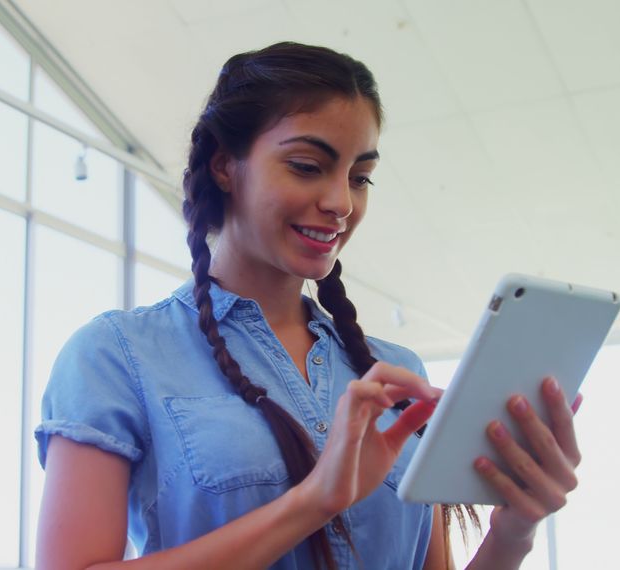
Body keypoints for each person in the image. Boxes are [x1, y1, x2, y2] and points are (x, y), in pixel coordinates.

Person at [34, 42, 582, 570]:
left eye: (360, 177)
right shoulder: (118, 355)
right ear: (226, 166)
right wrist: (314, 500)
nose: (342, 203)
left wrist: (516, 530)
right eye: (306, 165)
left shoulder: (396, 374)